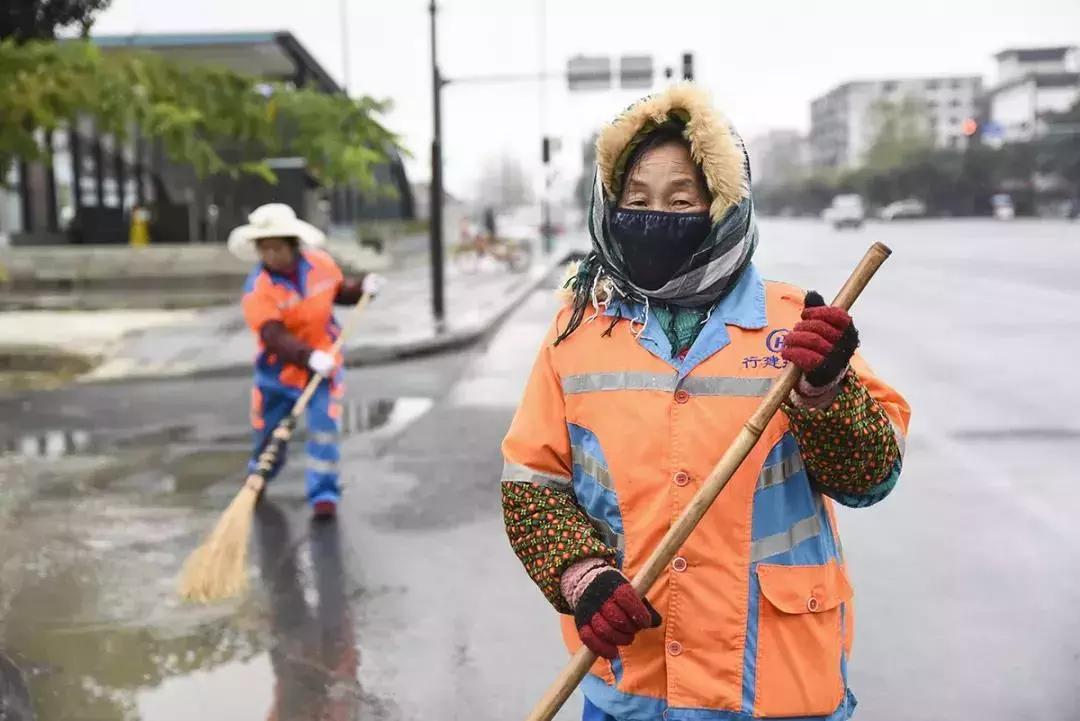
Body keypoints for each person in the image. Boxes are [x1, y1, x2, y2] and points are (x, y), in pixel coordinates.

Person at [500, 85, 910, 721]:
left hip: (776, 690)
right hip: (630, 691)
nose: (654, 216)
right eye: (635, 201)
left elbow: (871, 477)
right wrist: (583, 579)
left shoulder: (797, 326)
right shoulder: (577, 331)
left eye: (680, 201)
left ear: (721, 208)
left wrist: (827, 390)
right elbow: (532, 483)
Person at [228, 203, 385, 520]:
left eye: (277, 248)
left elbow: (337, 292)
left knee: (324, 429)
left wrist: (361, 289)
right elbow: (272, 334)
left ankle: (324, 493)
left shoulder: (320, 264)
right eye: (265, 249)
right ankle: (259, 478)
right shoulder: (258, 289)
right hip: (279, 373)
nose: (271, 255)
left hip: (324, 365)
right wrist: (307, 357)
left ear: (293, 245)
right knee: (269, 433)